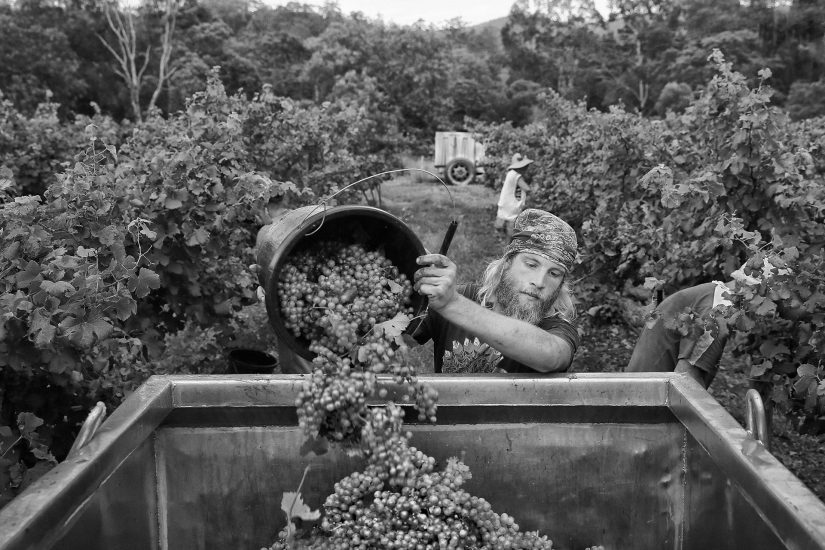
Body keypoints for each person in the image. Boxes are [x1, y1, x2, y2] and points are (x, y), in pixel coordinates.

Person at [413, 208, 580, 374]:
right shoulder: (466, 297)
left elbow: (552, 356)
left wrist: (452, 304)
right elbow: (403, 337)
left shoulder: (558, 330)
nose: (539, 282)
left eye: (554, 274)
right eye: (531, 265)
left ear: (561, 284)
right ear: (507, 262)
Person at [624, 281, 732, 388]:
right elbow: (685, 383)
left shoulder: (711, 294)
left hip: (636, 387)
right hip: (649, 393)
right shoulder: (718, 315)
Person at [495, 153, 534, 240]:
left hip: (505, 202)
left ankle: (501, 235)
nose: (526, 169)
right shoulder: (516, 175)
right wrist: (534, 190)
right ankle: (510, 239)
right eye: (526, 167)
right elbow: (526, 188)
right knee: (512, 222)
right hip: (511, 204)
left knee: (503, 217)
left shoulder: (510, 174)